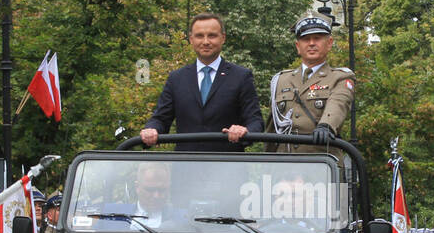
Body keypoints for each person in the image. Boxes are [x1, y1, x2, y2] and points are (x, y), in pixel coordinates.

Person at [140, 13, 262, 152]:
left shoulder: (241, 76)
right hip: (186, 166)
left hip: (228, 166)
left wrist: (244, 130)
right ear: (191, 39)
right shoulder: (176, 78)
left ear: (223, 38)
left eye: (212, 35)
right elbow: (161, 119)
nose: (205, 41)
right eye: (199, 36)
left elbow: (256, 122)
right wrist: (151, 130)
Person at [265, 16, 355, 153]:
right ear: (298, 46)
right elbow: (273, 127)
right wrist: (267, 162)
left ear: (329, 43)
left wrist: (326, 126)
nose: (311, 43)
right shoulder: (281, 80)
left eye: (317, 38)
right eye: (306, 39)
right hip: (284, 164)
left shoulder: (340, 77)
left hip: (321, 162)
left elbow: (338, 104)